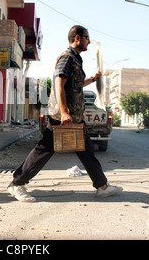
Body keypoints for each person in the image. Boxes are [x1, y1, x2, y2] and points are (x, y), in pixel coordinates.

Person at [7, 25, 123, 202]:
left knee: (87, 151)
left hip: (75, 118)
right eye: (86, 37)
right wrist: (64, 112)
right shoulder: (67, 58)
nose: (89, 41)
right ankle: (17, 184)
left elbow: (73, 85)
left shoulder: (76, 59)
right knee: (43, 151)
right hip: (62, 118)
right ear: (77, 38)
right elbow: (59, 84)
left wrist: (92, 79)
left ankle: (102, 186)